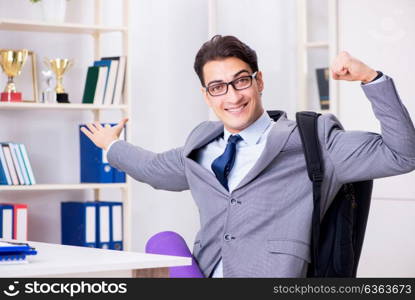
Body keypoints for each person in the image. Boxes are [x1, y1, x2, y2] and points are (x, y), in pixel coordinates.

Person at [81, 35, 415, 278]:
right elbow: (154, 169)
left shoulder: (314, 141)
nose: (232, 96)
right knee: (163, 241)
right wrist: (112, 146)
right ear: (207, 95)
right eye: (218, 87)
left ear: (259, 82)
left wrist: (370, 78)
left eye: (241, 81)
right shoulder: (201, 145)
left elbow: (402, 154)